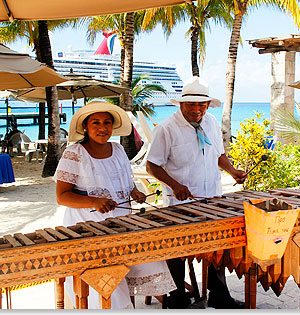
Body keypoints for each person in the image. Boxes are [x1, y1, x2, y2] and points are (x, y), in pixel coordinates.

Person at [55, 101, 176, 309]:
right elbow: (62, 196)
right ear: (85, 126)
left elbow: (125, 181)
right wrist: (93, 201)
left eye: (107, 122)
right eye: (95, 123)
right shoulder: (74, 152)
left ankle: (172, 299)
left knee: (152, 260)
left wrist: (135, 192)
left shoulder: (118, 149)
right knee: (109, 284)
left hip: (120, 226)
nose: (102, 128)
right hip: (89, 229)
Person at [146, 76, 247, 309]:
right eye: (191, 104)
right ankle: (177, 297)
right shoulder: (167, 128)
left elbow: (218, 154)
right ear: (181, 104)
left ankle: (219, 296)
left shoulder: (211, 122)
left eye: (202, 104)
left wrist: (232, 171)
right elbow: (152, 165)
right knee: (177, 251)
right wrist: (174, 185)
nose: (197, 109)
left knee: (217, 247)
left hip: (211, 197)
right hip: (179, 203)